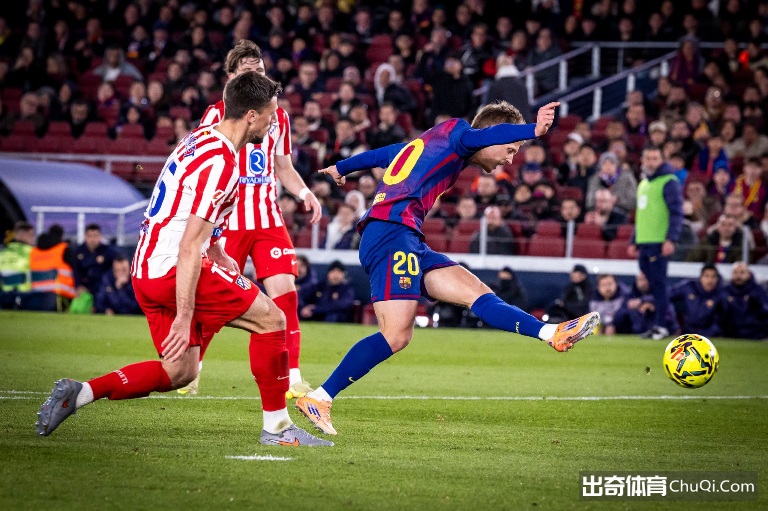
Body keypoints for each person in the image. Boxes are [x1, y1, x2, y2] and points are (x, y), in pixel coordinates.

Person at [35, 72, 331, 447]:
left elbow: (187, 208)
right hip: (173, 267)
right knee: (272, 320)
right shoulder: (223, 162)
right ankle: (277, 428)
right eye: (270, 115)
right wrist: (185, 314)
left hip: (145, 269)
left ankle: (79, 393)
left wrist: (219, 250)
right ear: (251, 116)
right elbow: (190, 245)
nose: (274, 123)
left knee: (180, 372)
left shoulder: (199, 138)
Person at [295, 100, 600, 436]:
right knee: (396, 334)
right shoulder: (460, 134)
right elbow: (487, 134)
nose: (510, 160)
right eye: (510, 149)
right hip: (392, 233)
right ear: (491, 136)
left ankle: (551, 333)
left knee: (476, 292)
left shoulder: (434, 143)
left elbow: (387, 154)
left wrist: (342, 167)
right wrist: (534, 130)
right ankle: (320, 398)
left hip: (404, 236)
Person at [184, 40, 322, 399]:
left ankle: (292, 377)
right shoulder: (215, 114)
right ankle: (191, 370)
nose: (258, 76)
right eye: (249, 71)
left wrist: (304, 193)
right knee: (216, 301)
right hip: (227, 222)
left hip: (267, 220)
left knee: (286, 296)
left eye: (260, 70)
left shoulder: (279, 117)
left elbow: (283, 166)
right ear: (231, 77)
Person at [628, 145, 683, 340]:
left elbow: (677, 212)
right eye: (647, 158)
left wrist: (671, 238)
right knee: (654, 285)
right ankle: (659, 325)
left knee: (659, 285)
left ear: (661, 160)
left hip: (659, 242)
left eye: (654, 159)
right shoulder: (644, 183)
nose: (650, 162)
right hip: (645, 241)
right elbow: (642, 215)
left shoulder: (669, 182)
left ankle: (663, 325)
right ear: (642, 160)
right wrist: (634, 240)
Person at [669, 264, 724, 338]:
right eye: (706, 276)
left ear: (717, 279)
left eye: (713, 277)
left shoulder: (722, 293)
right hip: (687, 333)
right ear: (701, 277)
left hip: (711, 335)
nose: (710, 280)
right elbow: (666, 295)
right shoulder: (689, 287)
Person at [720, 262, 768, 340]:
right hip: (730, 335)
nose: (738, 276)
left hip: (755, 334)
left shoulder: (758, 291)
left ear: (749, 274)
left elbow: (765, 312)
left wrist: (756, 303)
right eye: (735, 272)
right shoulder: (725, 292)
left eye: (742, 272)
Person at [74, 224, 115, 298]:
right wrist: (79, 285)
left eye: (95, 236)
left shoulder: (108, 252)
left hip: (103, 287)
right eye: (90, 236)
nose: (92, 239)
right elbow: (76, 271)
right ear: (85, 237)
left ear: (100, 237)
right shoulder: (79, 251)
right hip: (84, 288)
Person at [0, 221, 35, 293]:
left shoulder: (3, 253)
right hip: (25, 295)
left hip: (5, 295)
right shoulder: (31, 253)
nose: (33, 238)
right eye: (30, 234)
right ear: (22, 235)